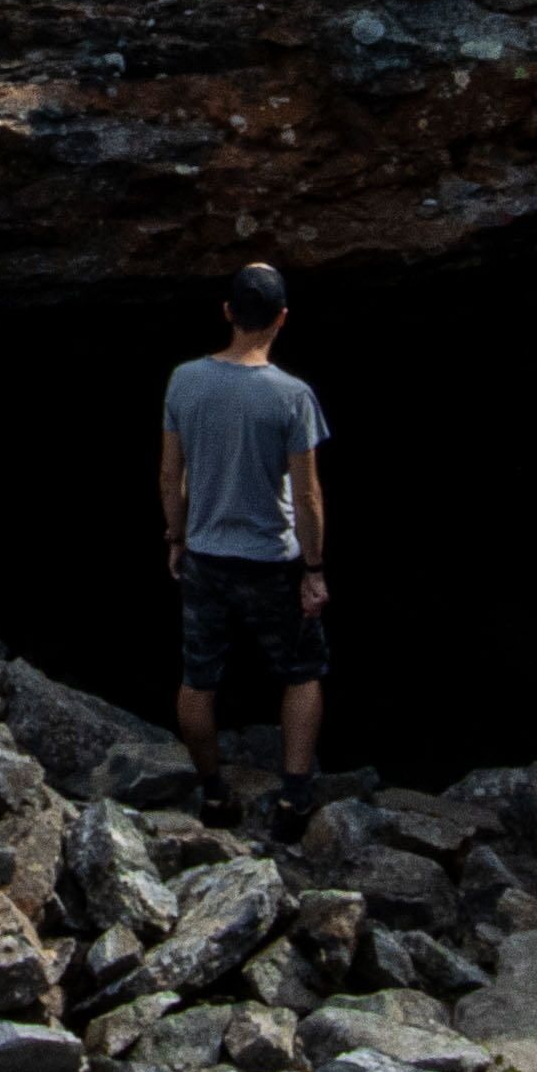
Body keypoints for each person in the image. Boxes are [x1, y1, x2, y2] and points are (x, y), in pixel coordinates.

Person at [160, 259, 331, 829]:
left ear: (228, 312)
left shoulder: (184, 380)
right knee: (302, 672)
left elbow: (169, 474)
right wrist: (314, 569)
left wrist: (177, 536)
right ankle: (294, 798)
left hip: (206, 556)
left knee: (197, 678)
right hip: (272, 563)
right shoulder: (293, 396)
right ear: (282, 319)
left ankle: (212, 794)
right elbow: (306, 497)